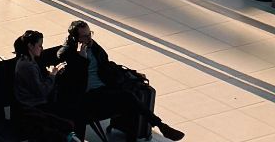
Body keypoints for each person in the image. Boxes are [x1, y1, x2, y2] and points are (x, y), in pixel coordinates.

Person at [47, 21, 184, 140]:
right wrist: (82, 58)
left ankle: (159, 127)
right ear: (74, 38)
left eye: (90, 34)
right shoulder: (68, 53)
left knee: (130, 97)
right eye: (85, 36)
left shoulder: (93, 46)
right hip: (87, 96)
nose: (89, 38)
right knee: (127, 97)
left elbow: (106, 64)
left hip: (103, 89)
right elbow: (74, 77)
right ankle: (161, 126)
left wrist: (131, 74)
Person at [10, 31, 80, 142]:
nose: (41, 48)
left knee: (68, 119)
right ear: (30, 46)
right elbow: (42, 91)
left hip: (35, 104)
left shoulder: (27, 61)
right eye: (39, 45)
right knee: (65, 124)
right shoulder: (27, 66)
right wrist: (52, 75)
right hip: (32, 108)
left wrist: (52, 74)